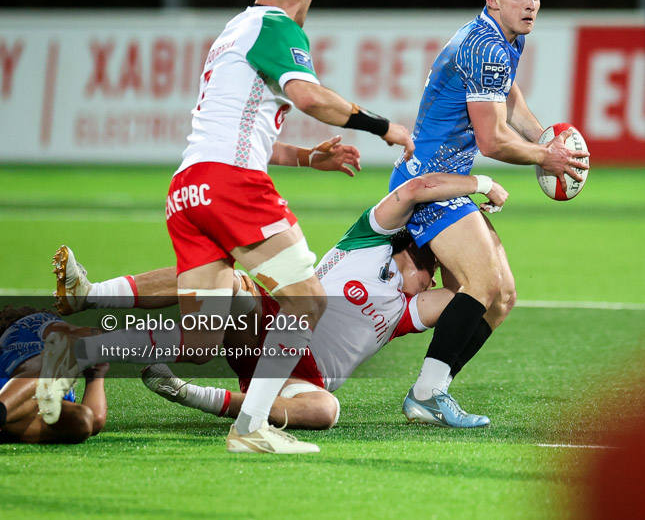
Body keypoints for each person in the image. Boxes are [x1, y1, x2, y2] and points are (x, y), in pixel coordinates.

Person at [36, 0, 415, 454]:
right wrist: (382, 126)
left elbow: (238, 129)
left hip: (188, 189)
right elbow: (309, 97)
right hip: (229, 185)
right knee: (306, 298)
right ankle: (251, 427)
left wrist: (307, 158)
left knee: (200, 340)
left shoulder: (232, 32)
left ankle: (75, 351)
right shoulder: (279, 27)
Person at [51, 172, 507, 431]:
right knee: (225, 280)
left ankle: (198, 397)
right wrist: (476, 185)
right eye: (432, 272)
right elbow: (411, 191)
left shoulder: (409, 311)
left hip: (302, 376)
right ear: (422, 254)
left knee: (324, 412)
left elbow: (472, 287)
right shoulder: (369, 238)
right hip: (272, 323)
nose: (431, 285)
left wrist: (478, 230)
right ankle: (92, 296)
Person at [388, 0, 589, 426]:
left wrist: (545, 137)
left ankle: (429, 389)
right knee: (483, 285)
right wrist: (549, 157)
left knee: (500, 299)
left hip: (451, 182)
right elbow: (493, 139)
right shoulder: (485, 46)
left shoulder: (504, 40)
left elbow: (510, 98)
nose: (531, 3)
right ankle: (414, 374)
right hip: (429, 183)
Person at [0, 306, 108, 444]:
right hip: (19, 388)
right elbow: (89, 335)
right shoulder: (31, 322)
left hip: (23, 408)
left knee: (82, 418)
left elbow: (95, 421)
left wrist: (96, 375)